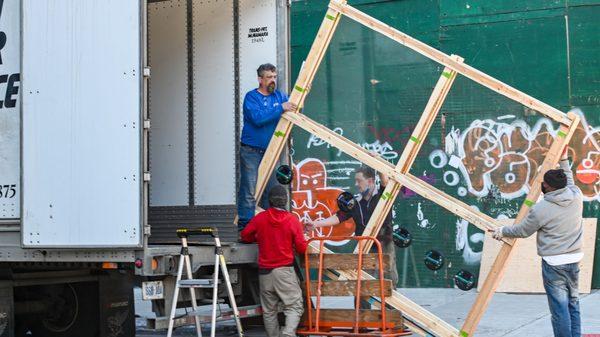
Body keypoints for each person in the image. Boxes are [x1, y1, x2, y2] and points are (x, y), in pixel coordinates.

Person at [490, 148, 583, 337]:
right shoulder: (576, 196)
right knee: (573, 303)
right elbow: (569, 180)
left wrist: (501, 231)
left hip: (554, 263)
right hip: (574, 259)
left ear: (548, 187)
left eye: (544, 183)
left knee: (559, 309)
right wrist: (564, 159)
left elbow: (522, 231)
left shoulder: (541, 209)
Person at [306, 165, 398, 288]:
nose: (356, 184)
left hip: (385, 244)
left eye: (359, 180)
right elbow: (338, 217)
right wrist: (316, 224)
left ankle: (390, 307)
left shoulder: (383, 195)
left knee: (389, 278)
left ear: (370, 181)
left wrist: (377, 161)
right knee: (362, 281)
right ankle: (361, 307)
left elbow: (385, 181)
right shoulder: (356, 202)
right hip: (365, 245)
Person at [240, 185, 307, 337]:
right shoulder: (292, 220)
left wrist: (257, 237)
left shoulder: (260, 219)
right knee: (294, 306)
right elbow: (302, 248)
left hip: (265, 274)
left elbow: (245, 235)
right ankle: (288, 334)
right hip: (284, 272)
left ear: (269, 201)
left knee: (269, 311)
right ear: (285, 201)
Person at [237, 63, 297, 230]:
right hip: (251, 151)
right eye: (269, 77)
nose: (272, 80)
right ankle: (245, 229)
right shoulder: (251, 97)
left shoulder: (280, 96)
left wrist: (301, 96)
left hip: (271, 151)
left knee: (271, 191)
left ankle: (268, 230)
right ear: (260, 79)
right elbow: (258, 119)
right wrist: (280, 108)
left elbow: (295, 109)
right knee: (249, 190)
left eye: (274, 77)